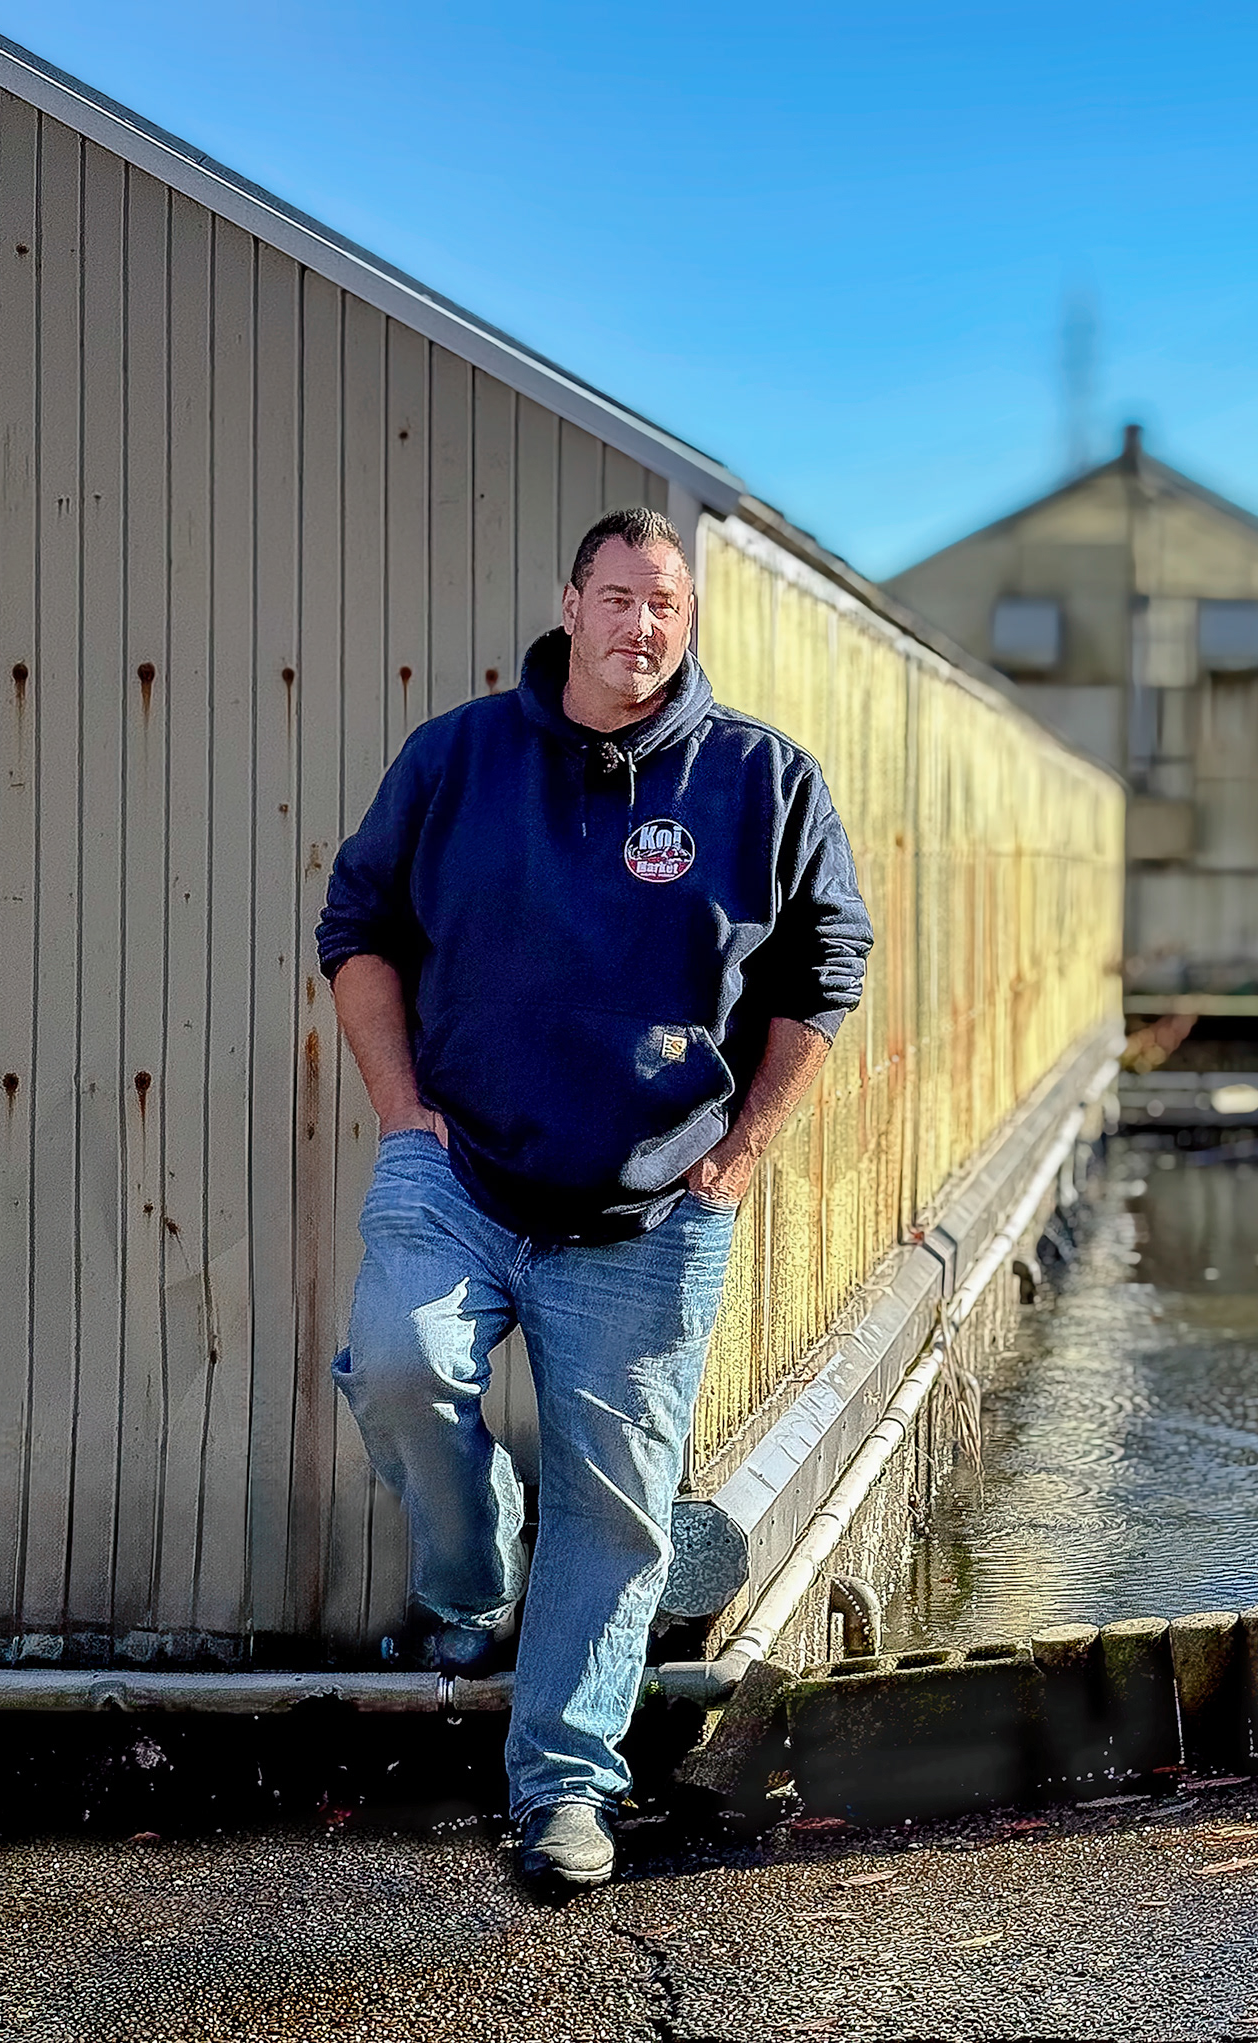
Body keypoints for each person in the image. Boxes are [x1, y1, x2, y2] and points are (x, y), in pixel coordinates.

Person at [316, 505, 872, 1887]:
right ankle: (469, 1582)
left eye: (666, 606)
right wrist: (405, 1118)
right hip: (461, 1177)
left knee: (618, 1507)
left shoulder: (760, 782)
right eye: (618, 598)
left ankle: (565, 1788)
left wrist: (737, 1157)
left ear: (686, 623)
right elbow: (357, 931)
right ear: (571, 605)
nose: (641, 626)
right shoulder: (457, 760)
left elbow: (827, 971)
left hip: (646, 1215)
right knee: (398, 1363)